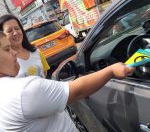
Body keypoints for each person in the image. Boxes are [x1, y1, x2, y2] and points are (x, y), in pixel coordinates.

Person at [0, 32, 134, 131]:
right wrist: (111, 71)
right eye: (7, 49)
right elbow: (77, 90)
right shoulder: (23, 91)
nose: (14, 53)